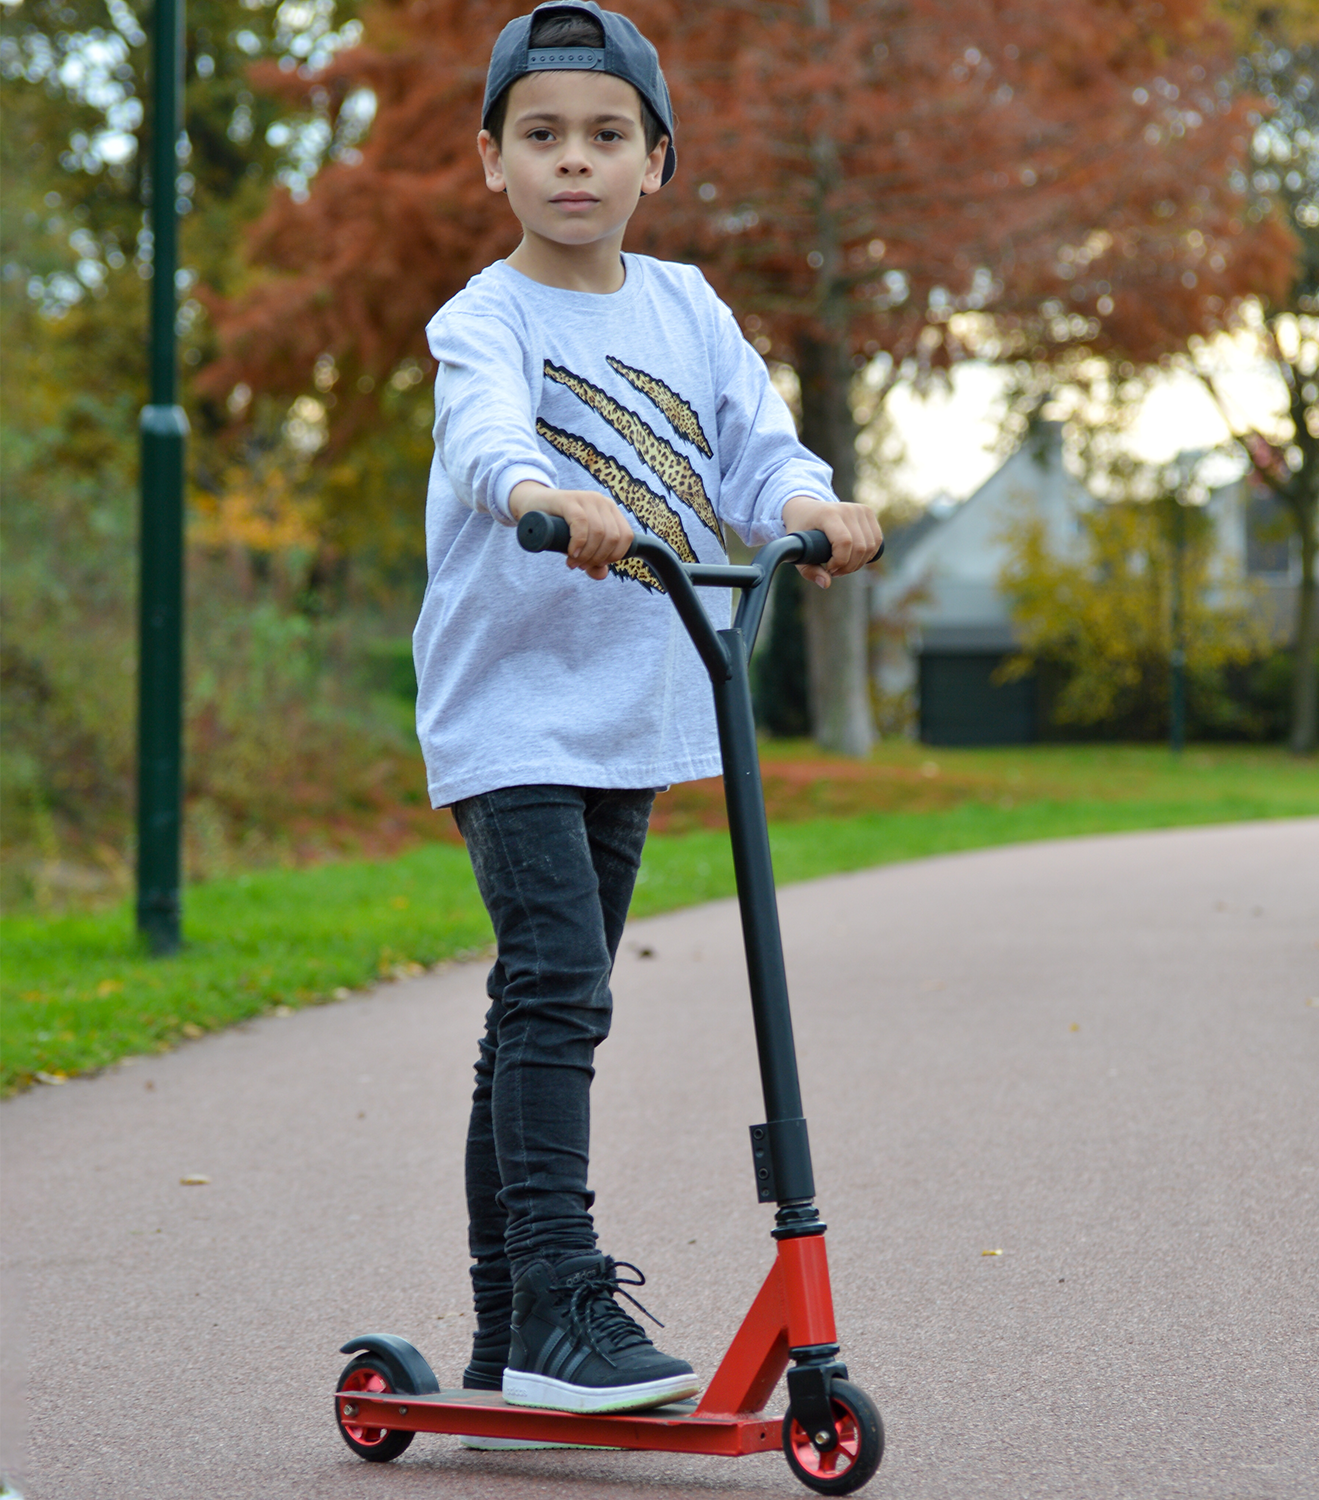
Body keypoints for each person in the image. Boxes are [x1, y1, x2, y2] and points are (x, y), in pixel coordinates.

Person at [412, 0, 883, 1424]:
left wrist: (809, 506)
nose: (575, 160)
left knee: (540, 1003)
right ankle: (562, 1300)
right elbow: (487, 433)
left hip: (636, 704)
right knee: (561, 983)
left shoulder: (688, 308)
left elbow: (755, 448)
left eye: (607, 135)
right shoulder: (485, 318)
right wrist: (540, 493)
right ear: (491, 159)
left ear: (655, 161)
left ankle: (507, 1335)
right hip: (509, 711)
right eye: (541, 134)